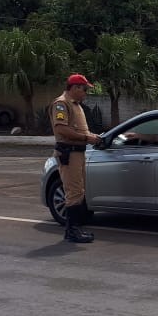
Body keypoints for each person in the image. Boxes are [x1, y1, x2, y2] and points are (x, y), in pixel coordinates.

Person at [50, 73, 101, 243]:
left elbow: (80, 131)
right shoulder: (61, 104)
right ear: (74, 88)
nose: (85, 93)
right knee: (73, 192)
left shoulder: (76, 105)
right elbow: (61, 129)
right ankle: (72, 231)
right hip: (69, 153)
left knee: (79, 191)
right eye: (84, 89)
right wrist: (87, 138)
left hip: (77, 153)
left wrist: (93, 136)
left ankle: (76, 229)